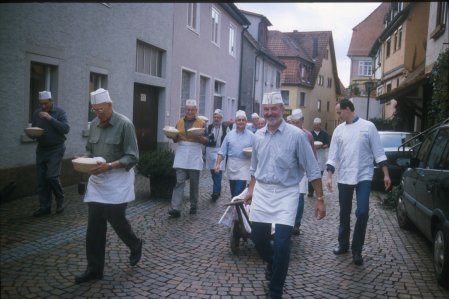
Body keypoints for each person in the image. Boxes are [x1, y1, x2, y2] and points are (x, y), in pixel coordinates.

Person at [244, 92, 326, 299]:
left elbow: (313, 169)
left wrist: (319, 199)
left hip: (287, 193)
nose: (270, 113)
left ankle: (276, 288)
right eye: (267, 109)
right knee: (258, 239)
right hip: (262, 191)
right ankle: (273, 261)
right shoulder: (258, 136)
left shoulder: (296, 136)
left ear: (282, 109)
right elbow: (255, 167)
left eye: (274, 109)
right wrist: (251, 189)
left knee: (282, 243)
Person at [75, 88, 142, 284]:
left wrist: (110, 166)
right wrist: (83, 160)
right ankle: (94, 269)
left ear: (110, 105)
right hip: (98, 180)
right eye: (94, 110)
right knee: (94, 225)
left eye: (100, 110)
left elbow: (133, 156)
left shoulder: (125, 125)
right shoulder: (94, 125)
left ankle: (136, 244)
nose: (97, 114)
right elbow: (90, 150)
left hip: (118, 179)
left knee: (117, 219)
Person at [326, 99, 391, 266]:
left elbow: (378, 151)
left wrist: (386, 174)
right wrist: (329, 176)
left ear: (348, 109)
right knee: (344, 213)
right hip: (345, 176)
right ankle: (343, 244)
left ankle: (357, 249)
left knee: (362, 212)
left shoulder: (368, 127)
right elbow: (333, 155)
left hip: (364, 176)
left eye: (340, 112)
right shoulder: (338, 131)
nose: (338, 115)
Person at [30, 91, 70, 217]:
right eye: (41, 104)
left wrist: (50, 118)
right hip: (42, 149)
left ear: (51, 101)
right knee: (42, 180)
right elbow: (34, 129)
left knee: (52, 176)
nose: (43, 107)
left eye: (45, 104)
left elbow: (65, 129)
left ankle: (60, 200)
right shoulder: (36, 113)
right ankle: (45, 207)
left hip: (56, 148)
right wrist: (31, 134)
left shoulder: (59, 112)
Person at [167, 99, 207, 218]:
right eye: (188, 109)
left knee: (194, 182)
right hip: (182, 153)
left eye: (192, 110)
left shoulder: (202, 123)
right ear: (185, 110)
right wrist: (172, 136)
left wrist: (199, 138)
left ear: (196, 110)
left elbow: (207, 140)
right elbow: (175, 139)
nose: (190, 112)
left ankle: (193, 205)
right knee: (179, 182)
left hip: (195, 152)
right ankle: (176, 208)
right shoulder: (179, 122)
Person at [289, 109, 317, 236]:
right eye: (293, 122)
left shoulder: (308, 135)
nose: (295, 125)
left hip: (302, 171)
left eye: (297, 122)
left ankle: (296, 223)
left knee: (300, 196)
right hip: (289, 171)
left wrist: (313, 172)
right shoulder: (286, 134)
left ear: (302, 121)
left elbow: (312, 155)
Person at [215, 110, 254, 198]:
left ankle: (237, 210)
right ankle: (236, 209)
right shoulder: (229, 135)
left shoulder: (251, 136)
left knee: (239, 192)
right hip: (232, 165)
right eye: (239, 120)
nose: (241, 122)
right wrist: (218, 164)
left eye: (243, 120)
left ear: (246, 122)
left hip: (244, 165)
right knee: (233, 192)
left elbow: (256, 152)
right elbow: (222, 152)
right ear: (236, 122)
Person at [205, 109, 229, 202]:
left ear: (221, 118)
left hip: (220, 151)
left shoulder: (225, 128)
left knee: (218, 172)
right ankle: (217, 189)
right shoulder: (209, 127)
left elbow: (228, 139)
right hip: (210, 151)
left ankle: (215, 192)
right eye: (215, 117)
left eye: (218, 117)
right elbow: (205, 138)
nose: (216, 119)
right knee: (213, 172)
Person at [308, 117, 330, 198]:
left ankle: (318, 192)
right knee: (311, 175)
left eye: (317, 125)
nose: (316, 126)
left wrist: (321, 146)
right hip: (312, 156)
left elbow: (328, 144)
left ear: (320, 125)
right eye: (314, 125)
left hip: (321, 156)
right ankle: (310, 191)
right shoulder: (310, 134)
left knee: (319, 175)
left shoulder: (324, 134)